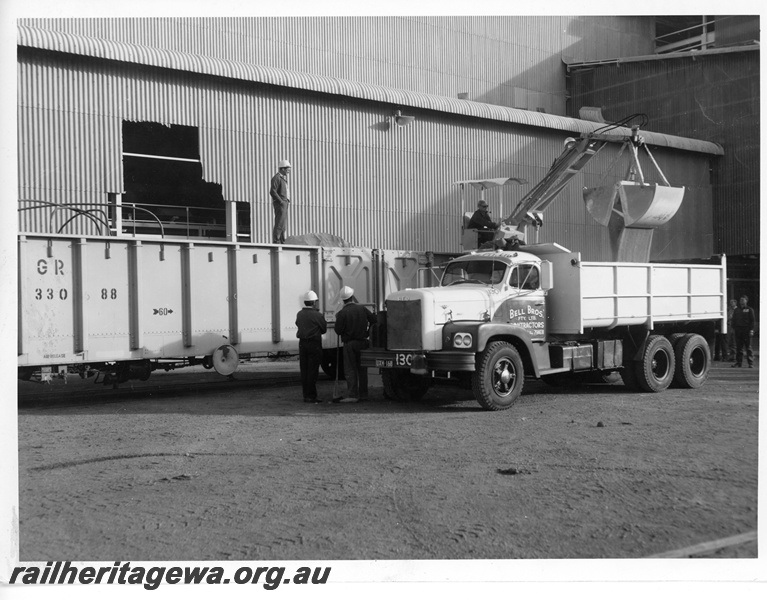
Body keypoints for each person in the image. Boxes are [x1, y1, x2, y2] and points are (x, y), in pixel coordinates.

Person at [333, 286, 377, 403]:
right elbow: (374, 320)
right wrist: (367, 332)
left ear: (343, 300)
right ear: (352, 297)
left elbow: (338, 331)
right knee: (362, 370)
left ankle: (353, 394)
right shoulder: (362, 309)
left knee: (350, 370)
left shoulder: (342, 313)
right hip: (363, 342)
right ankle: (364, 394)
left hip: (349, 344)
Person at [295, 290, 327, 402]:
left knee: (304, 370)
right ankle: (312, 396)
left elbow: (297, 324)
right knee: (313, 371)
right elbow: (323, 330)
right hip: (314, 344)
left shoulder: (299, 314)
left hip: (302, 344)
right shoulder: (318, 315)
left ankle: (306, 395)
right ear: (314, 302)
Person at [270, 159, 291, 244]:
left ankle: (281, 240)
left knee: (283, 223)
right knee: (279, 222)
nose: (288, 171)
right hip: (281, 203)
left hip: (284, 203)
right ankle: (276, 240)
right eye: (287, 169)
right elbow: (272, 191)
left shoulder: (282, 179)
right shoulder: (277, 178)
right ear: (282, 169)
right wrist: (281, 201)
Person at [731, 295, 756, 368]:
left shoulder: (749, 309)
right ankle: (739, 362)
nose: (741, 301)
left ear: (746, 301)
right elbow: (733, 320)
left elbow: (752, 321)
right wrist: (733, 329)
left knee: (748, 347)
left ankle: (750, 363)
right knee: (739, 347)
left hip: (746, 330)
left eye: (743, 300)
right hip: (738, 331)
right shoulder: (737, 310)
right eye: (740, 300)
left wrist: (751, 330)